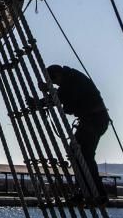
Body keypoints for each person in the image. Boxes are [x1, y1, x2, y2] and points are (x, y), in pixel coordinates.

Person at [44, 64, 109, 205]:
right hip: (92, 121)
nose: (56, 84)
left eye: (55, 81)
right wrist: (47, 97)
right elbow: (60, 98)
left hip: (94, 121)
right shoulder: (70, 79)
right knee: (77, 154)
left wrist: (51, 94)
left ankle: (96, 193)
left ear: (58, 74)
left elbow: (67, 104)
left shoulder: (72, 81)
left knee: (83, 155)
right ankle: (86, 190)